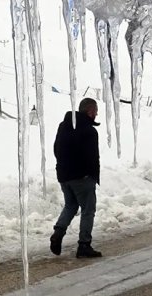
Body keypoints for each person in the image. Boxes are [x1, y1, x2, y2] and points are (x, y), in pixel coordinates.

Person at [49, 98, 102, 259]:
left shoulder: (63, 125)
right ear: (90, 111)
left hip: (63, 175)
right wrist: (91, 175)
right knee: (88, 210)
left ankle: (58, 233)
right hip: (82, 178)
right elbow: (93, 157)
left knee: (71, 205)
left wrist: (64, 166)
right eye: (95, 111)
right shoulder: (89, 131)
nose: (97, 114)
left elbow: (56, 149)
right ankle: (84, 245)